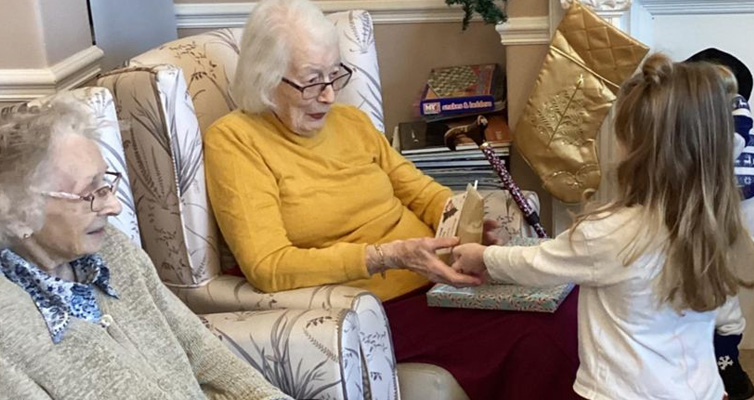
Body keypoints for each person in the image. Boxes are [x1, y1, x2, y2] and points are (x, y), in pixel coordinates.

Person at [203, 1, 579, 399]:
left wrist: (462, 221)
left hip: (438, 280)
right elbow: (268, 266)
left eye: (336, 74)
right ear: (266, 78)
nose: (330, 96)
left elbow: (417, 190)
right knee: (538, 335)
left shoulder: (352, 123)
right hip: (372, 309)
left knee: (569, 304)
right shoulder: (236, 141)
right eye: (313, 81)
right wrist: (388, 255)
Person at [452, 53, 753, 400]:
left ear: (637, 149)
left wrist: (483, 256)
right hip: (703, 391)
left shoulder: (608, 231)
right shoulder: (714, 222)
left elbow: (536, 264)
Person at [0, 97, 290, 400]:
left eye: (106, 183)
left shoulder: (112, 251)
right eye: (89, 193)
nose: (113, 205)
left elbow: (204, 354)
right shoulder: (10, 335)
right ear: (18, 212)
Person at [686, 48, 754, 400]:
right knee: (701, 295)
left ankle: (724, 360)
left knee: (722, 294)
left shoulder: (737, 127)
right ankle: (709, 358)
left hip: (734, 223)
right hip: (701, 223)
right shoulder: (692, 129)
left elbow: (732, 149)